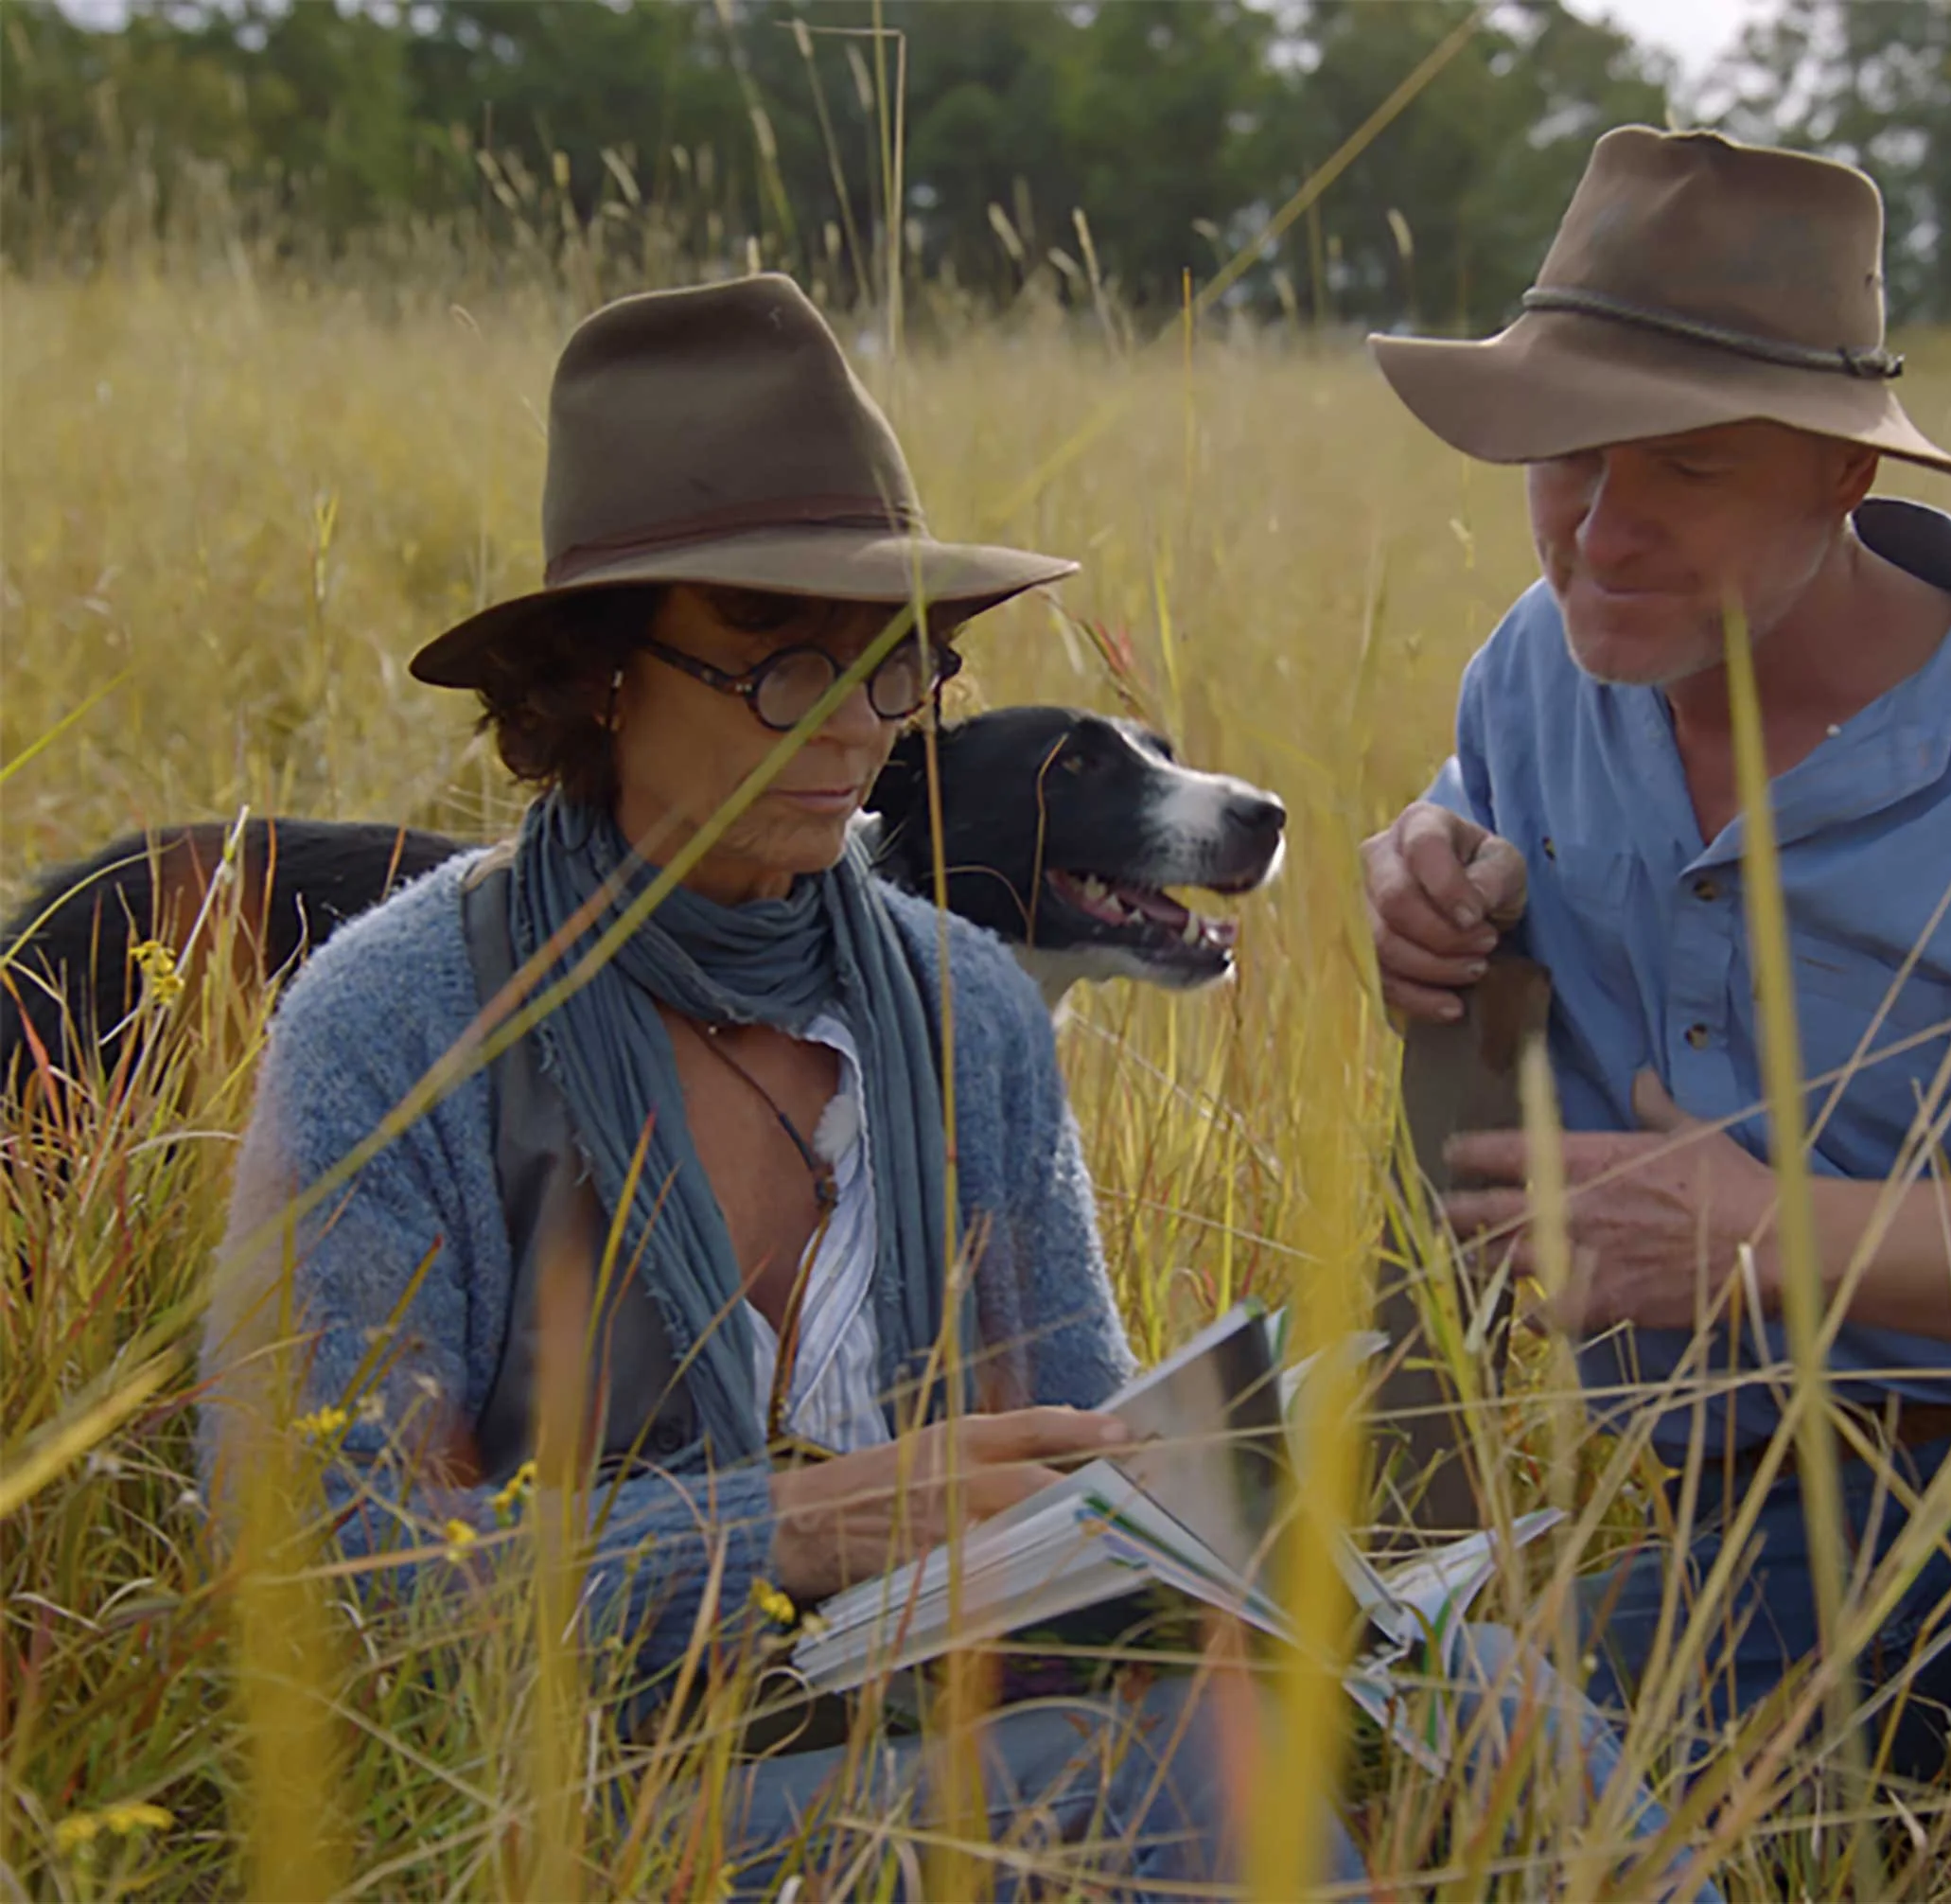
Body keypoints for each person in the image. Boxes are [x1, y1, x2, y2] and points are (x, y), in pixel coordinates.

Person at [198, 273, 1705, 1899]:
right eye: (783, 667)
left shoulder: (959, 1004)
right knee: (1203, 1778)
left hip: (949, 1708)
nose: (855, 734)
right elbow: (310, 1573)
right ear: (599, 674)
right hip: (577, 1790)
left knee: (1487, 1698)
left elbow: (1079, 1463)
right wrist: (786, 1530)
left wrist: (1205, 1529)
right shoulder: (402, 1018)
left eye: (895, 666)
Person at [1361, 125, 1951, 1876]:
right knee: (1423, 1775)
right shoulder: (1537, 677)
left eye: (1685, 472)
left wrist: (1773, 1235)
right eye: (1567, 460)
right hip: (1749, 1550)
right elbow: (1480, 856)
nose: (1600, 534)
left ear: (1842, 482)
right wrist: (1423, 878)